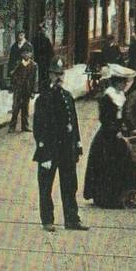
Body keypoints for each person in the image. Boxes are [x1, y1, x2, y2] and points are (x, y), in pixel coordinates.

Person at [32, 56, 88, 232]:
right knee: (46, 187)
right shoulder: (43, 99)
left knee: (70, 185)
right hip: (50, 150)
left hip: (66, 150)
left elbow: (74, 122)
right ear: (49, 75)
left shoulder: (67, 96)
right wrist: (43, 153)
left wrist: (77, 144)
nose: (59, 77)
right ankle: (47, 220)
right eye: (55, 74)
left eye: (61, 74)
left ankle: (72, 220)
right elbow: (39, 128)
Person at [83, 64, 136, 208]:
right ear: (117, 82)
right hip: (107, 137)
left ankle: (128, 194)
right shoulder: (107, 97)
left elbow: (124, 117)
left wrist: (130, 129)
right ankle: (107, 198)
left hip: (118, 135)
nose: (125, 85)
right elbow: (105, 119)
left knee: (127, 162)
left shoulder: (120, 95)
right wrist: (116, 131)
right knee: (109, 166)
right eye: (123, 82)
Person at [8, 44, 36, 133]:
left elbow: (35, 80)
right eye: (25, 53)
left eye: (28, 53)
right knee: (15, 108)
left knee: (25, 108)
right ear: (22, 54)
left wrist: (33, 91)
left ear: (31, 54)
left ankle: (25, 126)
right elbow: (13, 75)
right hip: (18, 89)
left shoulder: (34, 65)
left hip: (27, 89)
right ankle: (12, 126)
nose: (27, 55)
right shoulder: (18, 64)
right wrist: (12, 85)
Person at [33, 21, 54, 92]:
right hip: (39, 60)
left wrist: (49, 59)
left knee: (44, 74)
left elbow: (51, 51)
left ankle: (45, 87)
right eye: (41, 30)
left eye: (43, 30)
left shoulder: (46, 40)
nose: (43, 31)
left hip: (45, 60)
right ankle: (41, 88)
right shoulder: (36, 40)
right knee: (40, 74)